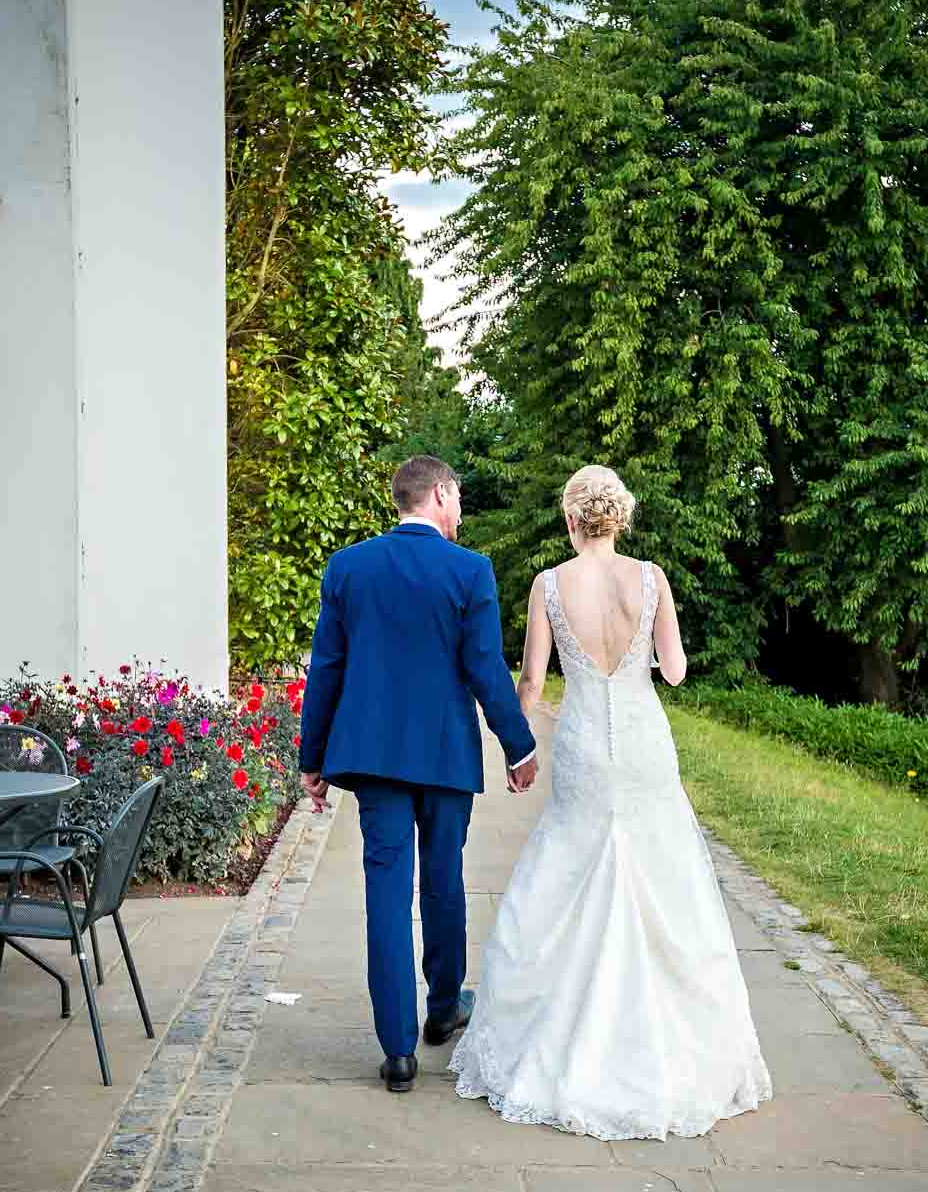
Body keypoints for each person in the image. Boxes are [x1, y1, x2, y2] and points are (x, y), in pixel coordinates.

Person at [450, 464, 772, 1140]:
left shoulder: (548, 585)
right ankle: (665, 1043)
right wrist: (650, 656)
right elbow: (676, 670)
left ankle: (567, 1037)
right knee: (663, 876)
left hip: (585, 747)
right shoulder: (651, 579)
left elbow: (533, 680)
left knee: (567, 872)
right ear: (620, 518)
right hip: (645, 743)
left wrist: (516, 748)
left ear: (572, 519)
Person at [298, 456, 537, 1094]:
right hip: (443, 755)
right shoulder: (469, 571)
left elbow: (327, 668)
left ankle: (396, 1050)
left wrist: (312, 758)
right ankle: (441, 1011)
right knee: (443, 883)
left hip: (372, 757)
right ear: (437, 494)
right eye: (457, 498)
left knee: (385, 891)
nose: (460, 511)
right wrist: (518, 747)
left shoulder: (349, 567)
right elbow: (486, 668)